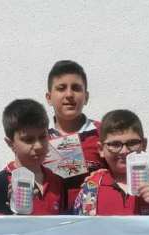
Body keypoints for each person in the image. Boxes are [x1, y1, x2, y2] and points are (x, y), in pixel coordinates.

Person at [73, 109, 149, 216]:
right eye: (115, 144)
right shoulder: (92, 187)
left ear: (144, 145)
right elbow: (78, 228)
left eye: (132, 143)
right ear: (100, 150)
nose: (124, 151)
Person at [43, 60, 104, 212]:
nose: (69, 94)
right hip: (48, 221)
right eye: (61, 88)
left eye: (76, 88)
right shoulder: (38, 137)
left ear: (86, 96)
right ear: (49, 97)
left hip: (95, 220)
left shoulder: (104, 132)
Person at [0, 99, 64, 215]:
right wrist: (16, 214)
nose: (38, 146)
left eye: (42, 136)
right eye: (28, 140)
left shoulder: (57, 182)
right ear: (10, 143)